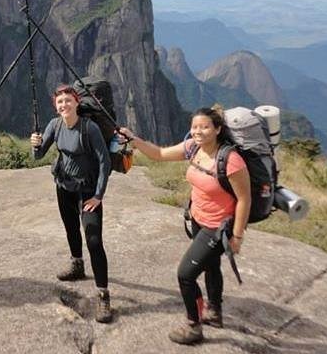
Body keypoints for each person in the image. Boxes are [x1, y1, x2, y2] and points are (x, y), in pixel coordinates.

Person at [119, 106, 251, 345]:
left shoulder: (231, 160)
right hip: (198, 219)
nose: (198, 131)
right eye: (195, 127)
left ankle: (194, 324)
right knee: (211, 266)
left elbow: (244, 199)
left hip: (218, 227)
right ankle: (215, 312)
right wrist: (134, 139)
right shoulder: (193, 148)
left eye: (205, 127)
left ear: (218, 129)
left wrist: (237, 237)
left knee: (185, 274)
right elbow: (159, 153)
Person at [30, 84, 113, 323]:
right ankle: (77, 264)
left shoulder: (90, 128)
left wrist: (98, 196)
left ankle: (103, 295)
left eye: (68, 100)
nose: (64, 105)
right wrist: (35, 143)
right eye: (59, 102)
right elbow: (38, 155)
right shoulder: (54, 125)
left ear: (76, 102)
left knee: (94, 240)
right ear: (56, 107)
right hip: (64, 187)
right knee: (70, 229)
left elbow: (104, 162)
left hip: (87, 191)